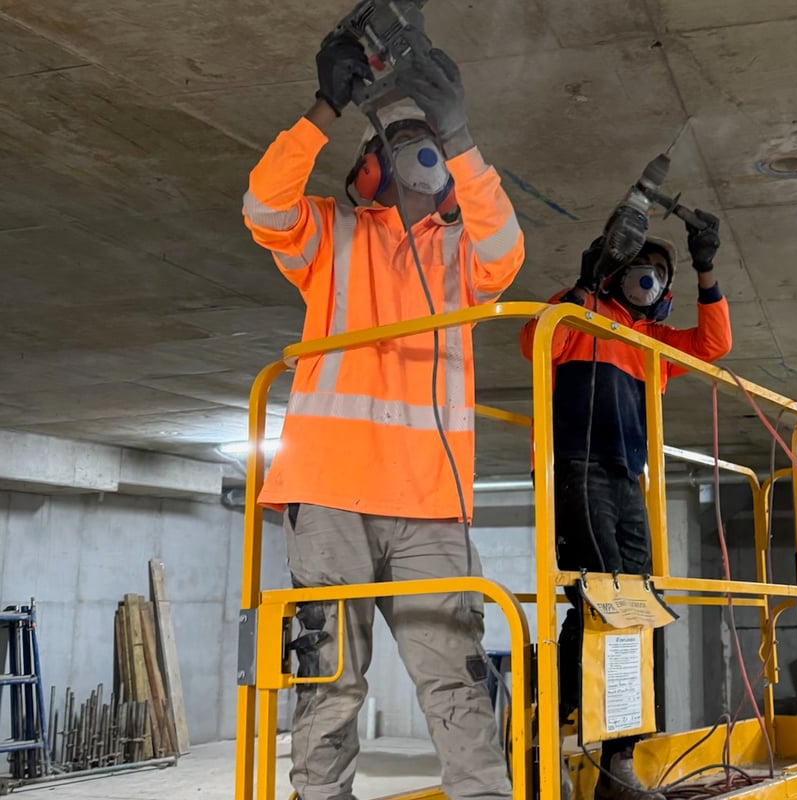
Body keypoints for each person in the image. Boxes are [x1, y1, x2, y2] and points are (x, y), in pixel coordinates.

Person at [241, 29, 524, 800]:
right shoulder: (330, 237)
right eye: (400, 140)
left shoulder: (463, 256)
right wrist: (323, 106)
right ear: (369, 167)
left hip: (429, 505)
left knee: (458, 687)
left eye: (425, 141)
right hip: (331, 497)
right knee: (327, 685)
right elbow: (262, 206)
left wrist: (462, 136)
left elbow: (509, 253)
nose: (416, 153)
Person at [518, 216, 733, 800]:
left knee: (634, 609)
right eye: (645, 268)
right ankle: (543, 746)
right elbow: (533, 339)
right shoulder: (579, 316)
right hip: (575, 472)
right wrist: (583, 288)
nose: (654, 281)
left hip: (627, 482)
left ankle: (618, 764)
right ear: (613, 271)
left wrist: (704, 267)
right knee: (597, 605)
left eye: (662, 275)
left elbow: (714, 345)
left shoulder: (649, 341)